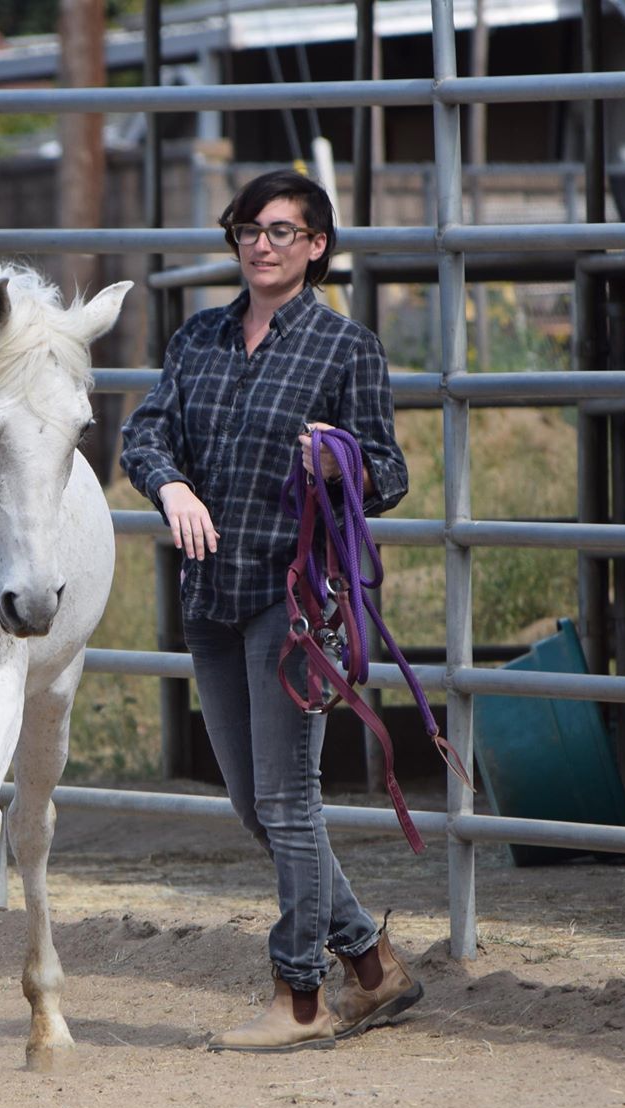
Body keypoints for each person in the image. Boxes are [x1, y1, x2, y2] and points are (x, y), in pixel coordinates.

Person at [119, 169, 421, 1053]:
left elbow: (389, 471)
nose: (261, 243)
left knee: (288, 800)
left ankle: (300, 998)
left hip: (290, 601)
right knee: (258, 806)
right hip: (209, 597)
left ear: (317, 247)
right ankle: (369, 962)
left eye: (283, 231)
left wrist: (341, 465)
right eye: (250, 228)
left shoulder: (345, 349)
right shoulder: (199, 340)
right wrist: (168, 482)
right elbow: (145, 432)